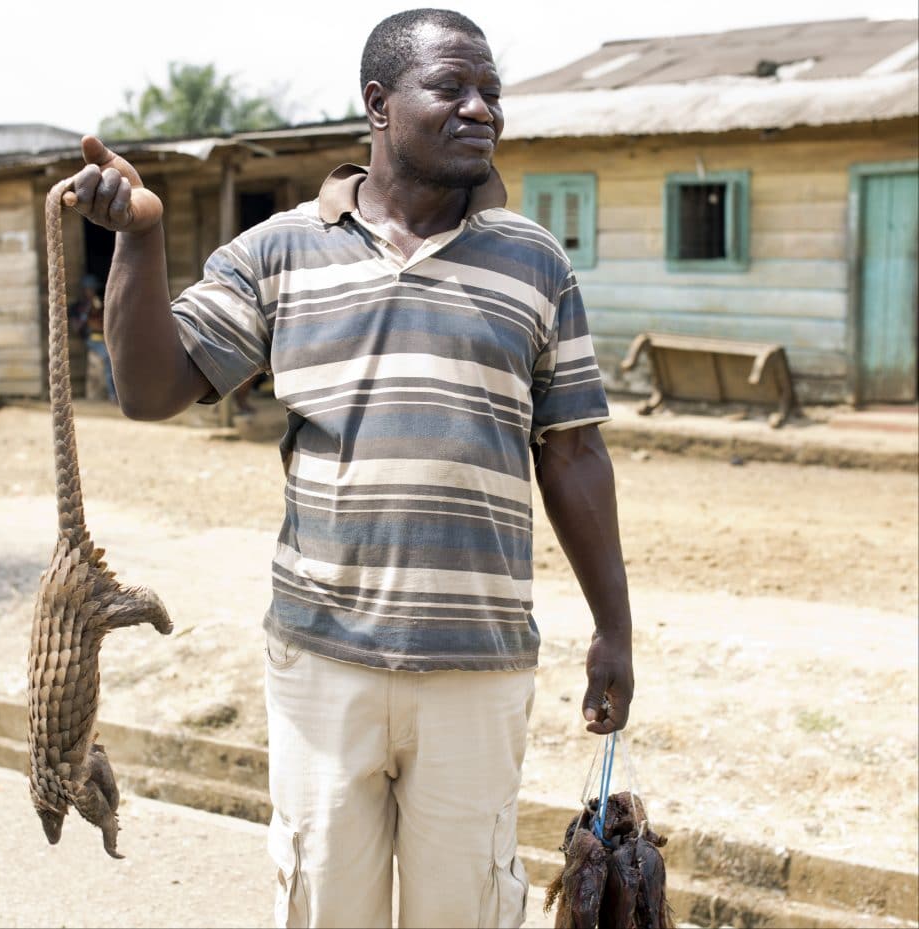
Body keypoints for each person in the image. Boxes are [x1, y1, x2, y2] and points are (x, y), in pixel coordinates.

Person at [65, 9, 634, 927]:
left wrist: (616, 627)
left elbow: (573, 452)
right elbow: (152, 388)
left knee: (468, 909)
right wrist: (140, 235)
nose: (480, 108)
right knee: (326, 905)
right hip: (322, 662)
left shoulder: (534, 261)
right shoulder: (278, 251)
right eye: (451, 88)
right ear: (378, 103)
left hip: (478, 668)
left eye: (491, 90)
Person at [68, 273, 116, 403]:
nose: (93, 291)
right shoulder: (77, 307)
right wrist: (86, 311)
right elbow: (77, 328)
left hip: (104, 338)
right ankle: (113, 395)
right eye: (90, 289)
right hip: (92, 339)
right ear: (85, 290)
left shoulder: (98, 304)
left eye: (93, 289)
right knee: (107, 358)